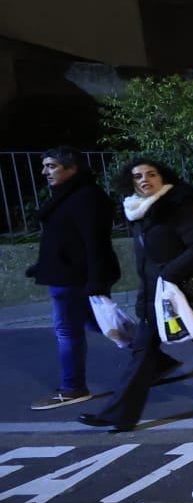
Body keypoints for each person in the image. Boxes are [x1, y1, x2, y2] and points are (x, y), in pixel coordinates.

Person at [77, 159, 193, 432]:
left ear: (162, 177)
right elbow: (145, 261)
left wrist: (169, 275)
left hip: (179, 292)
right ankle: (119, 414)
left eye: (151, 174)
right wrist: (144, 295)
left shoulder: (176, 207)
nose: (144, 179)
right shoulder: (136, 211)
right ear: (130, 182)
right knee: (145, 351)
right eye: (137, 176)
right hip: (154, 295)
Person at [28, 146, 120, 410]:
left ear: (72, 168)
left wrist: (96, 281)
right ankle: (153, 359)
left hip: (73, 278)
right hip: (65, 275)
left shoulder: (85, 197)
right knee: (98, 324)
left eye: (52, 166)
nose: (45, 172)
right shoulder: (68, 195)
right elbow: (63, 240)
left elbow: (94, 243)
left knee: (68, 331)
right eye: (45, 166)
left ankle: (72, 388)